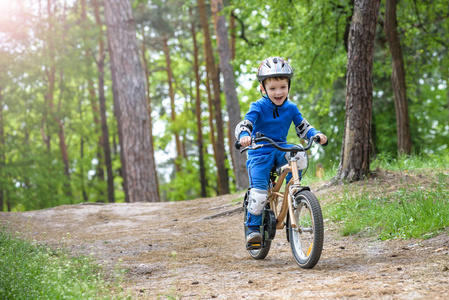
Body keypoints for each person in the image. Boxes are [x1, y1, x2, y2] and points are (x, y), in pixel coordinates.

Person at [235, 56, 328, 244]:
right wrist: (244, 135)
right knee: (260, 193)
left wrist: (316, 134)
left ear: (289, 86)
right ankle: (253, 228)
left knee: (299, 152)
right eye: (272, 88)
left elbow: (303, 127)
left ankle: (293, 189)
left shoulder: (291, 107)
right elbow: (245, 124)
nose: (279, 92)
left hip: (279, 148)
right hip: (259, 152)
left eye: (283, 87)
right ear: (263, 88)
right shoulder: (258, 106)